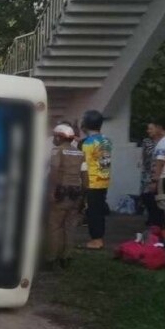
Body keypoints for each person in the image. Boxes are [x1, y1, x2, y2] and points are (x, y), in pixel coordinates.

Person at [44, 123, 84, 269]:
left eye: (55, 136)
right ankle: (66, 258)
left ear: (60, 137)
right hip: (76, 193)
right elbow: (84, 175)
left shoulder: (57, 151)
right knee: (70, 227)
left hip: (61, 193)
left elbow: (54, 170)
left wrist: (52, 191)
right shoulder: (80, 153)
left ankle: (51, 259)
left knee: (55, 226)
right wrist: (83, 196)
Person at [78, 110, 112, 251]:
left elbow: (83, 163)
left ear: (85, 124)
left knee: (93, 212)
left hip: (91, 181)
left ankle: (96, 240)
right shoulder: (106, 140)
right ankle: (98, 238)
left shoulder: (86, 143)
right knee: (98, 210)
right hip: (103, 180)